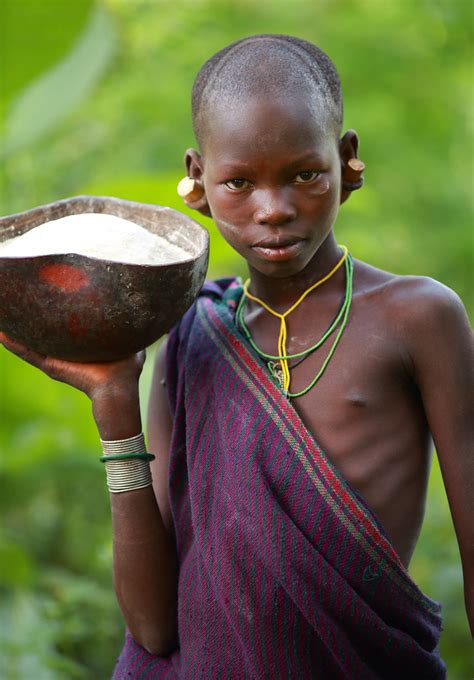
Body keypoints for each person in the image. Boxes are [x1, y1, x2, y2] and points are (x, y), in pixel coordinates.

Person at [0, 34, 472, 679]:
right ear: (197, 179)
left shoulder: (418, 317)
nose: (273, 210)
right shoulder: (193, 336)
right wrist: (113, 402)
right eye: (238, 183)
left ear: (346, 158)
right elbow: (153, 625)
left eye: (305, 174)